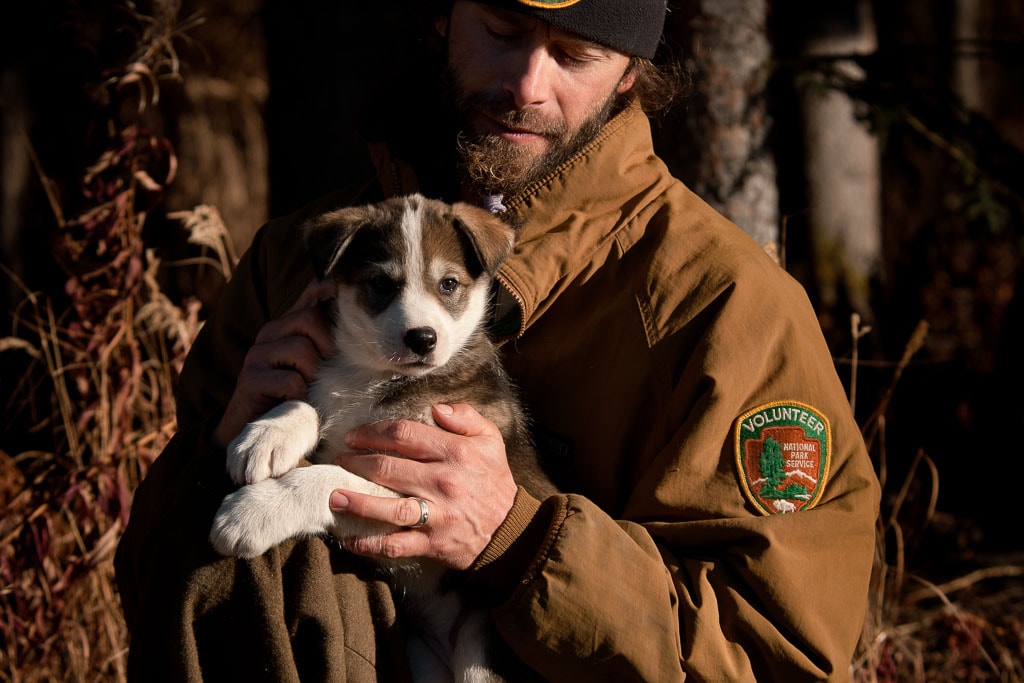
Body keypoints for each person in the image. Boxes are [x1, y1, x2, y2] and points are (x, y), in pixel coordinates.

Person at [115, 0, 881, 681]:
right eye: (503, 30)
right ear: (444, 16)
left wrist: (520, 539)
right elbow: (154, 582)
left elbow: (781, 655)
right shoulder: (303, 259)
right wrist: (222, 451)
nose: (526, 84)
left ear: (628, 74)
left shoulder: (723, 306)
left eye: (577, 54)